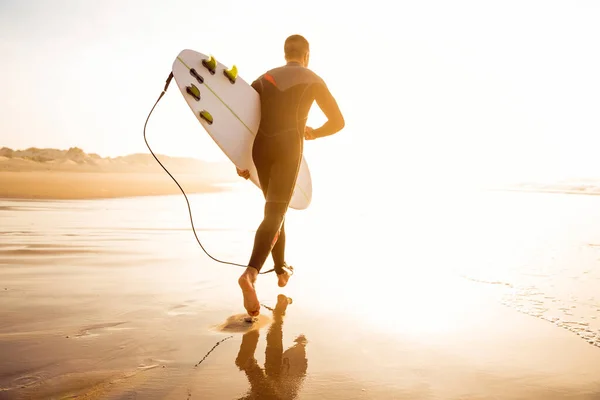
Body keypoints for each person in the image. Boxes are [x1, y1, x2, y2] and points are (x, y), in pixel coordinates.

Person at [236, 34, 345, 317]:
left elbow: (241, 120)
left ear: (286, 53)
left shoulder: (263, 78)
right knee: (275, 213)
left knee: (276, 211)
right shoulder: (313, 79)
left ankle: (281, 270)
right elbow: (338, 122)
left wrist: (239, 159)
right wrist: (314, 133)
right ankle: (250, 274)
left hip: (260, 149)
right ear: (307, 55)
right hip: (288, 148)